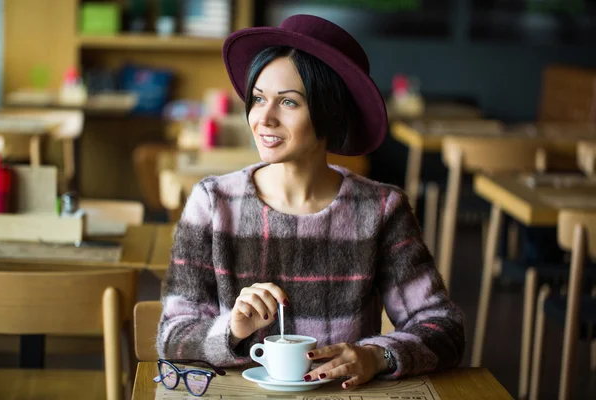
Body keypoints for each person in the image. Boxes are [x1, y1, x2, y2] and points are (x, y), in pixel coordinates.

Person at [157, 14, 465, 389]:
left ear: (330, 111)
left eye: (288, 102)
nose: (264, 119)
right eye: (257, 99)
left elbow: (444, 327)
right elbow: (172, 337)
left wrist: (377, 355)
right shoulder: (212, 204)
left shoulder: (381, 210)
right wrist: (233, 328)